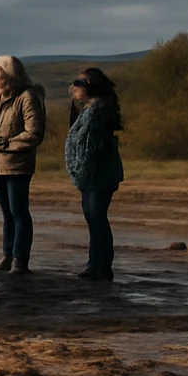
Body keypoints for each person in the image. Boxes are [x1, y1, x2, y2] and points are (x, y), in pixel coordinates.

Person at [0, 56, 46, 275]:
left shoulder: (27, 97)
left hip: (18, 165)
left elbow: (34, 133)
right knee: (7, 214)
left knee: (19, 212)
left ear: (10, 73)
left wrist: (7, 144)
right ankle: (7, 255)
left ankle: (20, 260)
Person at [65, 67, 124, 281]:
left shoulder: (99, 110)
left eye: (81, 83)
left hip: (99, 173)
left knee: (97, 217)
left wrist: (82, 168)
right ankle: (95, 264)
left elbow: (91, 145)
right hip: (90, 174)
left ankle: (101, 266)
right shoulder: (91, 108)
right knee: (93, 218)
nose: (76, 87)